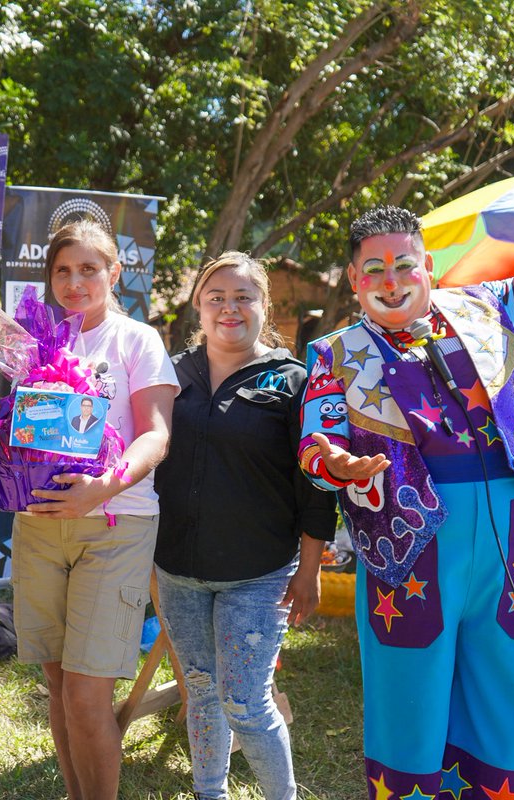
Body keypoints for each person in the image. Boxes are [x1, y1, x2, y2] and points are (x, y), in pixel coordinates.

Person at [297, 96, 514, 798]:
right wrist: (339, 464)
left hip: (507, 527)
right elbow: (315, 441)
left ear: (427, 265)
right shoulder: (334, 351)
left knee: (509, 681)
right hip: (408, 538)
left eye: (403, 265)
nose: (391, 282)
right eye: (373, 271)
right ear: (356, 281)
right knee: (409, 691)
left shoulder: (490, 307)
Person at [153, 252, 337, 800]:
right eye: (216, 298)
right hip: (178, 571)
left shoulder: (295, 382)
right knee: (203, 693)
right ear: (198, 309)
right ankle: (211, 794)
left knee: (245, 700)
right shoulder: (170, 373)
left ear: (264, 307)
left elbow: (317, 484)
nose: (229, 309)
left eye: (242, 298)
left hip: (257, 573)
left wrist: (309, 569)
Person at [12, 219, 178, 800]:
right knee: (58, 686)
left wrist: (99, 489)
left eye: (89, 269)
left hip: (116, 523)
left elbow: (156, 436)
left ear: (114, 272)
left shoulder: (137, 340)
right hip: (37, 527)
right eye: (63, 270)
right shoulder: (30, 344)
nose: (75, 281)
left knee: (87, 694)